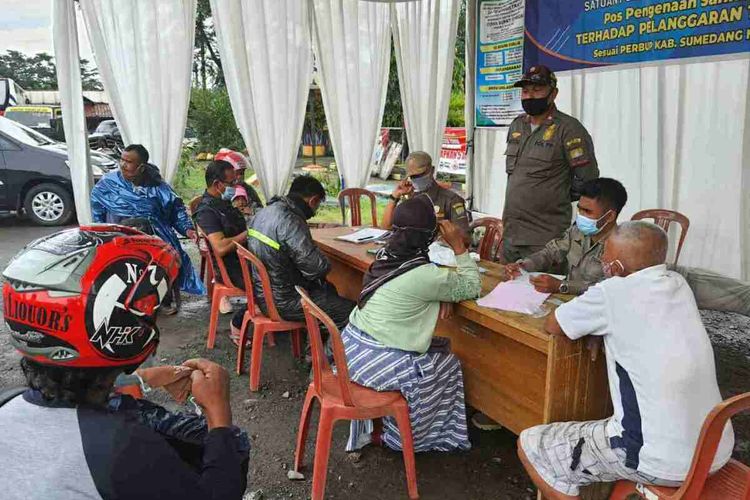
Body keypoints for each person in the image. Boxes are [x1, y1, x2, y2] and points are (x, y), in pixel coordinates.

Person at [0, 226, 249, 500]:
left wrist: (145, 377)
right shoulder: (121, 447)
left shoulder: (8, 403)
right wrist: (218, 414)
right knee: (229, 445)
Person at [517, 221, 734, 500]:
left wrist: (596, 322)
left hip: (657, 459)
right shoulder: (679, 284)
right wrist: (600, 327)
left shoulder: (611, 293)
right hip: (715, 448)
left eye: (605, 255)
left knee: (532, 445)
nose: (603, 261)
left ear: (616, 268)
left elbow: (554, 324)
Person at [343, 194, 481, 453]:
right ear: (429, 235)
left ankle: (395, 425)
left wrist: (442, 293)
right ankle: (412, 438)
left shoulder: (387, 253)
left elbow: (424, 277)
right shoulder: (426, 276)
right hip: (378, 365)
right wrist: (459, 248)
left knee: (437, 348)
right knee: (449, 364)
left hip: (350, 354)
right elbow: (472, 286)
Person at [90, 143, 205, 314]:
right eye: (122, 159)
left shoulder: (158, 187)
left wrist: (188, 229)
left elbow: (176, 211)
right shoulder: (108, 183)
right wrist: (101, 234)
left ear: (141, 167)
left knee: (164, 258)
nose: (123, 164)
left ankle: (162, 300)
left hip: (155, 238)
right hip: (119, 237)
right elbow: (97, 210)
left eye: (128, 162)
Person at [503, 65, 599, 263]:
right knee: (505, 290)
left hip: (545, 239)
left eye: (537, 90)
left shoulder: (569, 129)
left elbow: (587, 177)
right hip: (511, 234)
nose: (530, 96)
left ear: (553, 93)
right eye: (525, 91)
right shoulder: (517, 125)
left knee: (540, 292)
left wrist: (558, 194)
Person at [246, 175, 355, 333]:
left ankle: (315, 343)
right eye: (317, 206)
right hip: (285, 301)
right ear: (313, 200)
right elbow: (316, 268)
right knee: (350, 311)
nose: (315, 212)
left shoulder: (266, 211)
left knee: (329, 289)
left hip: (264, 292)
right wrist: (322, 255)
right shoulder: (291, 220)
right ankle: (326, 355)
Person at [505, 178, 627, 295]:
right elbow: (551, 252)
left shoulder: (622, 248)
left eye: (587, 211)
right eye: (580, 210)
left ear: (609, 216)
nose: (581, 216)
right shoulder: (577, 231)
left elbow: (609, 289)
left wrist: (563, 286)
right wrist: (524, 265)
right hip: (565, 300)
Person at [192, 160, 250, 343]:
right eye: (232, 183)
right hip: (233, 268)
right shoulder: (207, 211)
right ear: (218, 184)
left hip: (244, 259)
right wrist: (249, 233)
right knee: (277, 281)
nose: (236, 186)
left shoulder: (222, 204)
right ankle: (239, 322)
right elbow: (221, 246)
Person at [382, 151, 471, 242]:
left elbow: (464, 238)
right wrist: (394, 196)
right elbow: (386, 227)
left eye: (420, 174)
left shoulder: (450, 199)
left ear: (431, 170)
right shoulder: (409, 197)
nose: (417, 179)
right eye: (413, 177)